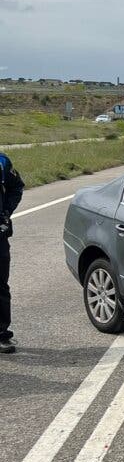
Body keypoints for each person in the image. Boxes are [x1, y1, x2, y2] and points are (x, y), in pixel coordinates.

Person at [0, 150, 24, 354]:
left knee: (0, 286)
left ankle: (1, 335)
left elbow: (16, 187)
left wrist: (5, 212)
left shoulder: (2, 161)